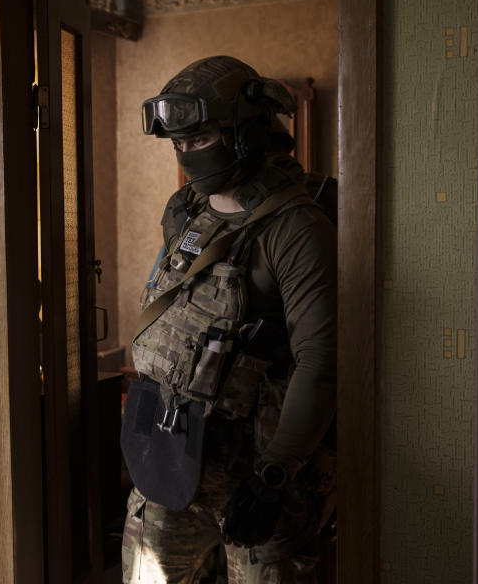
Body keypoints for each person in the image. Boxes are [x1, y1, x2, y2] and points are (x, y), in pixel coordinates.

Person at [120, 56, 336, 583]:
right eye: (179, 143)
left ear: (246, 131)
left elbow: (321, 359)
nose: (188, 153)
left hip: (255, 477)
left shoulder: (296, 228)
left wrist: (274, 475)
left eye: (202, 138)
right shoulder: (186, 211)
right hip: (171, 461)